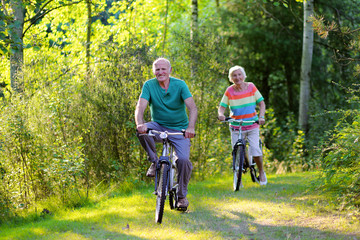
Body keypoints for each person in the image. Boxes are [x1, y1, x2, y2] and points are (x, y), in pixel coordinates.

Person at [135, 57, 197, 209]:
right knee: (142, 132)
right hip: (159, 126)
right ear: (153, 72)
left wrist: (191, 127)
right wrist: (140, 124)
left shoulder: (180, 85)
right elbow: (140, 107)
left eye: (163, 69)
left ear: (170, 70)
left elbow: (193, 108)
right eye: (157, 69)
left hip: (179, 130)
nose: (160, 72)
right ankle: (154, 161)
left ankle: (182, 197)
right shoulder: (149, 85)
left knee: (183, 160)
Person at [217, 65, 267, 186]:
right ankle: (237, 177)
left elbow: (262, 104)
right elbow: (222, 107)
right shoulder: (229, 90)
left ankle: (261, 171)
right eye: (234, 75)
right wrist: (221, 114)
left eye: (239, 74)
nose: (237, 77)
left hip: (252, 125)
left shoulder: (251, 87)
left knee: (255, 148)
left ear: (244, 76)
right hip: (236, 125)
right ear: (231, 78)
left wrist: (261, 117)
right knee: (237, 151)